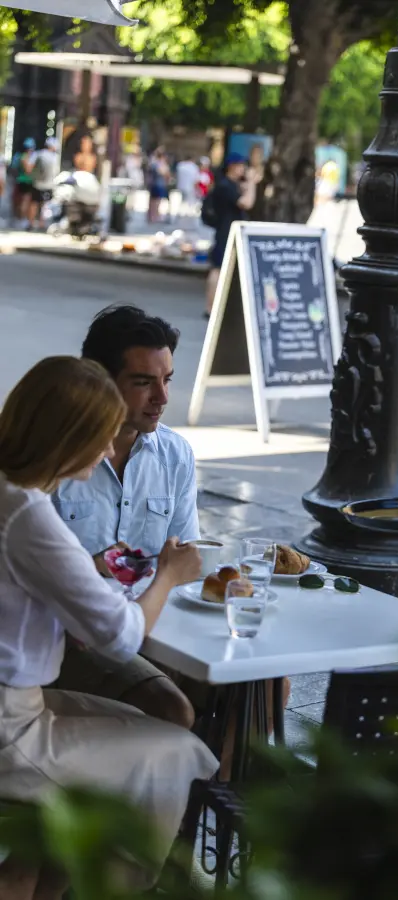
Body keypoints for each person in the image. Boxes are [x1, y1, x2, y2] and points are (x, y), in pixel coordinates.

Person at [0, 356, 217, 890]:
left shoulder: (10, 493)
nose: (105, 452)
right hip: (12, 729)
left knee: (150, 725)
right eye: (99, 438)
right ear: (67, 438)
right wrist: (169, 574)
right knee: (175, 749)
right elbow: (121, 639)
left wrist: (80, 576)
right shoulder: (29, 514)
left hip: (22, 706)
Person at [53, 306, 199, 728]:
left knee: (264, 683)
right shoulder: (53, 457)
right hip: (74, 636)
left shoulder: (175, 453)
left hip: (152, 622)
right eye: (143, 382)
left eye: (167, 379)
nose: (163, 398)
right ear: (99, 380)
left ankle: (205, 790)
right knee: (169, 704)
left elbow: (186, 559)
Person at [206, 152, 257, 316]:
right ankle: (211, 306)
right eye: (241, 166)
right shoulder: (225, 186)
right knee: (218, 268)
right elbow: (246, 203)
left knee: (221, 268)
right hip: (226, 232)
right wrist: (252, 183)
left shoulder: (230, 185)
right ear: (232, 167)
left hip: (228, 230)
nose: (243, 169)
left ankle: (216, 306)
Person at [29, 136, 59, 231]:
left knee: (34, 203)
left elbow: (29, 168)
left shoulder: (38, 154)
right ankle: (42, 224)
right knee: (45, 205)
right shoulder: (55, 157)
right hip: (50, 185)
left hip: (37, 184)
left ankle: (31, 223)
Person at [11, 137, 36, 222]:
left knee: (19, 201)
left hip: (20, 180)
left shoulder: (18, 156)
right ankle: (21, 219)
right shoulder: (25, 157)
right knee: (24, 201)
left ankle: (19, 218)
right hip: (26, 181)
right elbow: (28, 170)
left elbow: (13, 169)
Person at [147, 147, 171, 223]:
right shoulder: (159, 164)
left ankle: (152, 216)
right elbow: (164, 173)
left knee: (153, 201)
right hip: (158, 184)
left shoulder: (153, 162)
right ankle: (154, 216)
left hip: (153, 183)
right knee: (156, 201)